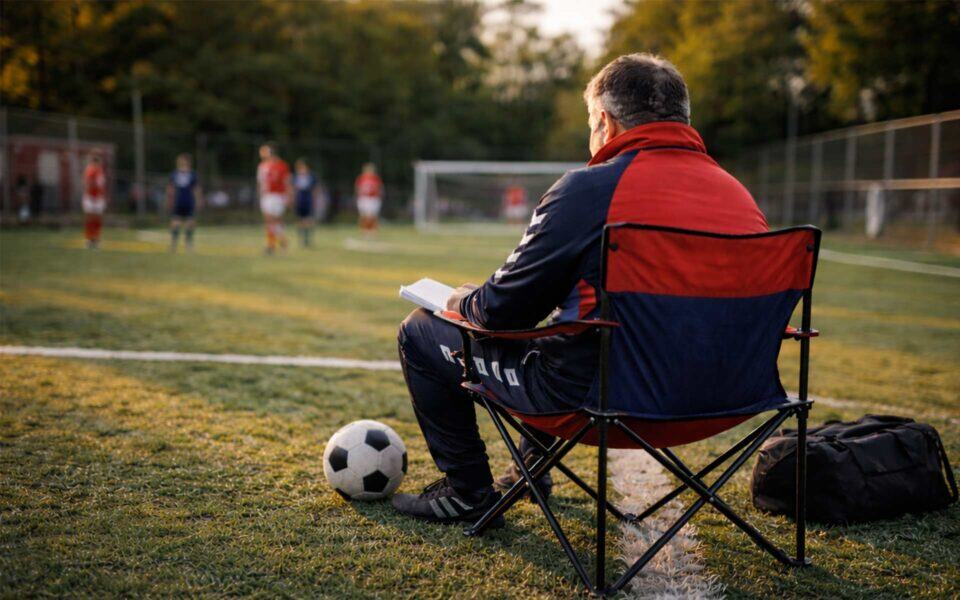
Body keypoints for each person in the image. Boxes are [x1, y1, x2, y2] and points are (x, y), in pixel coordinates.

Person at [392, 53, 770, 524]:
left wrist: (459, 299)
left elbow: (501, 312)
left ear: (607, 124)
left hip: (604, 400)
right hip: (732, 397)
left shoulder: (590, 190)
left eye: (591, 124)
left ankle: (467, 491)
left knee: (420, 330)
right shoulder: (738, 195)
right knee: (572, 321)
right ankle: (532, 468)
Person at [257, 143, 291, 254]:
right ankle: (271, 244)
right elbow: (260, 183)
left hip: (278, 196)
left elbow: (287, 182)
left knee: (276, 220)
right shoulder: (262, 166)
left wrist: (289, 196)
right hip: (267, 196)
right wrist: (261, 195)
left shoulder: (282, 165)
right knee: (268, 220)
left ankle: (281, 240)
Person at [166, 154, 202, 251]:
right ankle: (173, 244)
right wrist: (169, 200)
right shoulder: (174, 174)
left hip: (189, 201)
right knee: (175, 222)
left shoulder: (192, 174)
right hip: (178, 201)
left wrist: (198, 200)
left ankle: (189, 244)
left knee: (190, 222)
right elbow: (170, 188)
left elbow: (196, 189)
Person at [81, 154, 108, 249]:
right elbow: (88, 184)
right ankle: (89, 239)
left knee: (97, 219)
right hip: (91, 197)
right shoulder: (90, 169)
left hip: (98, 198)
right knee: (90, 219)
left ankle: (96, 238)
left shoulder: (100, 170)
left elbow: (101, 186)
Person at [293, 158, 318, 247]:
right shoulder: (296, 176)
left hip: (307, 200)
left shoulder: (311, 176)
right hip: (299, 200)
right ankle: (301, 240)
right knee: (299, 220)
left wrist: (314, 200)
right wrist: (293, 199)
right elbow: (294, 189)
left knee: (308, 220)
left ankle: (307, 239)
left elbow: (314, 189)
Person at [354, 162, 383, 234]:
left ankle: (373, 230)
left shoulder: (376, 178)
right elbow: (357, 188)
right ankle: (363, 230)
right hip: (364, 198)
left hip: (373, 198)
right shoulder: (361, 178)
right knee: (364, 215)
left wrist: (379, 196)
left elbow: (379, 188)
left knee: (373, 215)